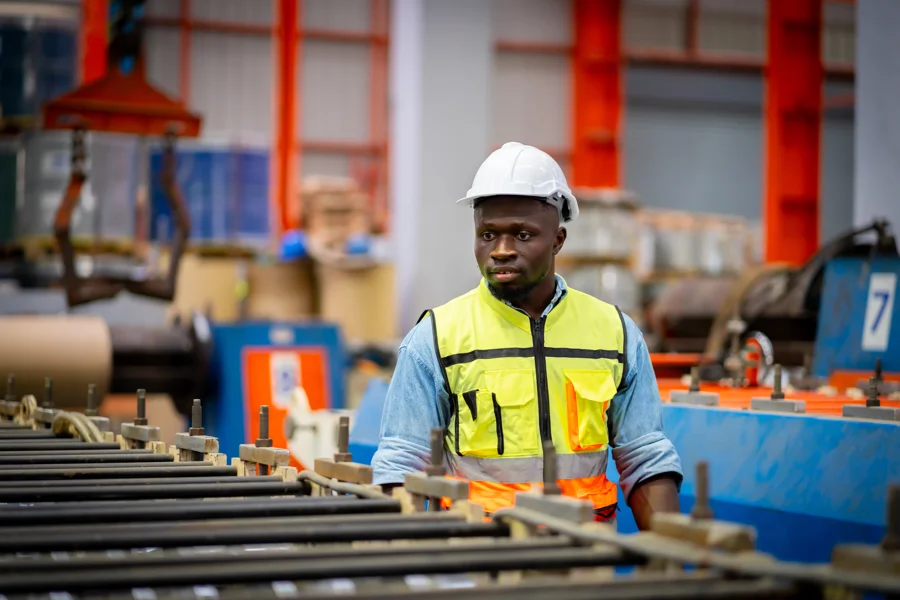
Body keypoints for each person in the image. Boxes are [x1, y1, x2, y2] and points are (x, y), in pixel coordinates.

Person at [371, 142, 683, 529]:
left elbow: (645, 458)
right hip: (479, 560)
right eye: (488, 235)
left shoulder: (615, 334)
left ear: (558, 240)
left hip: (585, 557)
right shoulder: (436, 338)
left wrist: (673, 552)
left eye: (521, 234)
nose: (501, 250)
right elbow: (402, 463)